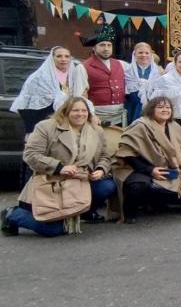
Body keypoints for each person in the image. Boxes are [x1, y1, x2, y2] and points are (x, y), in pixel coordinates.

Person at [2, 97, 115, 236]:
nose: (80, 114)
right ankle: (13, 215)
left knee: (107, 186)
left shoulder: (96, 130)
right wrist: (59, 167)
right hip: (52, 180)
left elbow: (104, 155)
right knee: (52, 230)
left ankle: (82, 211)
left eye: (84, 110)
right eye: (75, 110)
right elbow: (31, 155)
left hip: (81, 179)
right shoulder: (46, 127)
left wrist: (100, 169)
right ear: (66, 111)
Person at [113, 97, 181, 223]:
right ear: (151, 109)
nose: (165, 110)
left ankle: (158, 204)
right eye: (160, 107)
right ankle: (130, 212)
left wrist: (179, 161)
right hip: (139, 167)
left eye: (168, 107)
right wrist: (150, 169)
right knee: (138, 185)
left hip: (169, 167)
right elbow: (127, 153)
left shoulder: (173, 126)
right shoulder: (140, 125)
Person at [11, 46, 79, 134]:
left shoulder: (74, 75)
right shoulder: (39, 77)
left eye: (67, 56)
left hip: (68, 122)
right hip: (44, 122)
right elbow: (31, 104)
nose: (63, 59)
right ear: (52, 58)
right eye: (59, 56)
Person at [74, 19, 126, 126]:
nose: (106, 48)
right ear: (94, 48)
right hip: (96, 117)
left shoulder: (121, 64)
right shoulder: (82, 67)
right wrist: (91, 115)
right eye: (102, 45)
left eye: (109, 45)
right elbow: (79, 96)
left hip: (120, 117)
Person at [124, 42, 161, 123]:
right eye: (140, 52)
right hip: (133, 106)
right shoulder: (128, 70)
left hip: (152, 107)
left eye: (147, 53)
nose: (144, 55)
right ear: (134, 54)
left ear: (150, 55)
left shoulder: (157, 71)